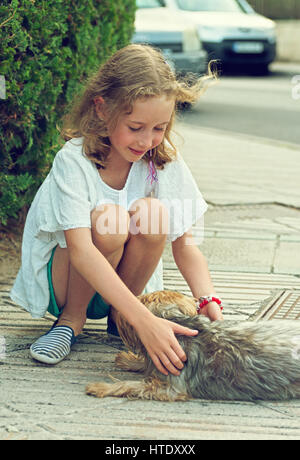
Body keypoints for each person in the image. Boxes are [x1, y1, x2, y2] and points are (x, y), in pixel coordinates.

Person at [10, 44, 223, 376]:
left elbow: (186, 244)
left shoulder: (161, 159)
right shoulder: (75, 159)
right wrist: (146, 319)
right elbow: (80, 250)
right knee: (109, 221)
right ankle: (71, 322)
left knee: (155, 214)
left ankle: (120, 320)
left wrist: (208, 299)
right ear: (101, 109)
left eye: (159, 127)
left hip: (124, 287)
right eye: (136, 127)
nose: (147, 140)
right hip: (67, 283)